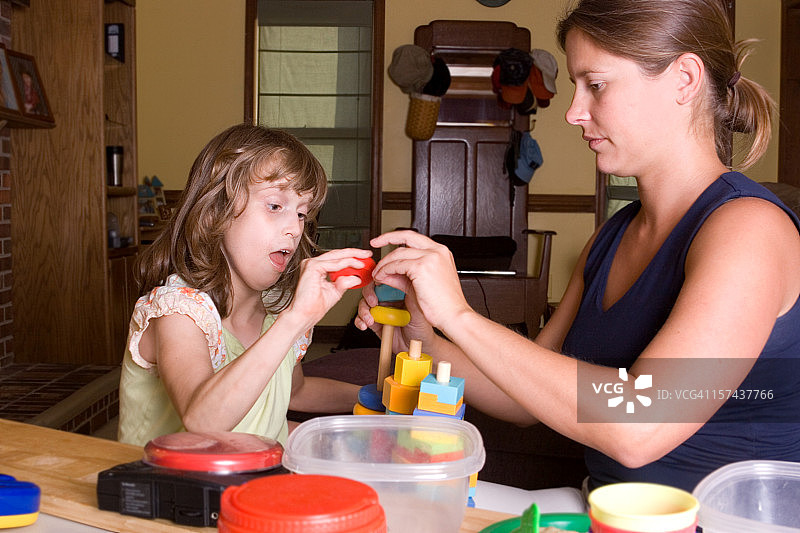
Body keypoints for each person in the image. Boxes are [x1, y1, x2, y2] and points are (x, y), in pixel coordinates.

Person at [357, 0, 800, 494]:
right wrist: (419, 334)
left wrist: (459, 315)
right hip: (609, 512)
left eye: (597, 84)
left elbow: (640, 423)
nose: (572, 111)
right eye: (575, 85)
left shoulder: (748, 229)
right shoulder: (611, 238)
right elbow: (525, 399)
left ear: (684, 79)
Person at [118, 124, 369, 447]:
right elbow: (203, 419)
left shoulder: (277, 311)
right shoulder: (178, 310)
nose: (294, 228)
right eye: (275, 206)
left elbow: (297, 392)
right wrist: (295, 319)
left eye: (302, 213)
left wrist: (375, 399)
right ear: (214, 214)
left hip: (255, 487)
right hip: (171, 493)